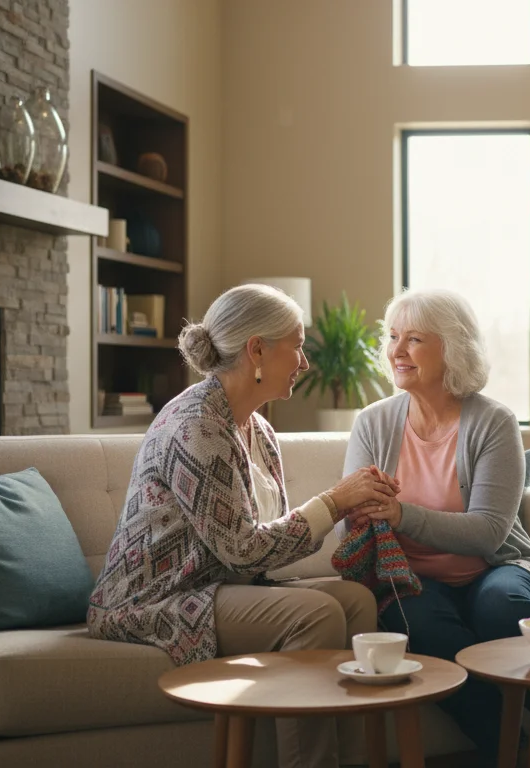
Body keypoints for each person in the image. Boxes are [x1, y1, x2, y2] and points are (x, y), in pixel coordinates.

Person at [88, 284, 397, 768]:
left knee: (355, 601)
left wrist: (348, 511)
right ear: (257, 349)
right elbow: (244, 550)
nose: (305, 361)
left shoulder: (256, 427)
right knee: (314, 615)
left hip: (227, 584)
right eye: (296, 345)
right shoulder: (196, 427)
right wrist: (334, 503)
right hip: (161, 596)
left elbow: (270, 547)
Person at [343, 287, 530, 768]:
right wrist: (363, 511)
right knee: (420, 626)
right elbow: (355, 516)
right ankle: (516, 754)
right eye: (392, 338)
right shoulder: (372, 424)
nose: (397, 351)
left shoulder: (493, 422)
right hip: (411, 576)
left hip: (498, 565)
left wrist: (401, 514)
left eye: (414, 339)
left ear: (453, 348)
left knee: (502, 605)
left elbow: (489, 532)